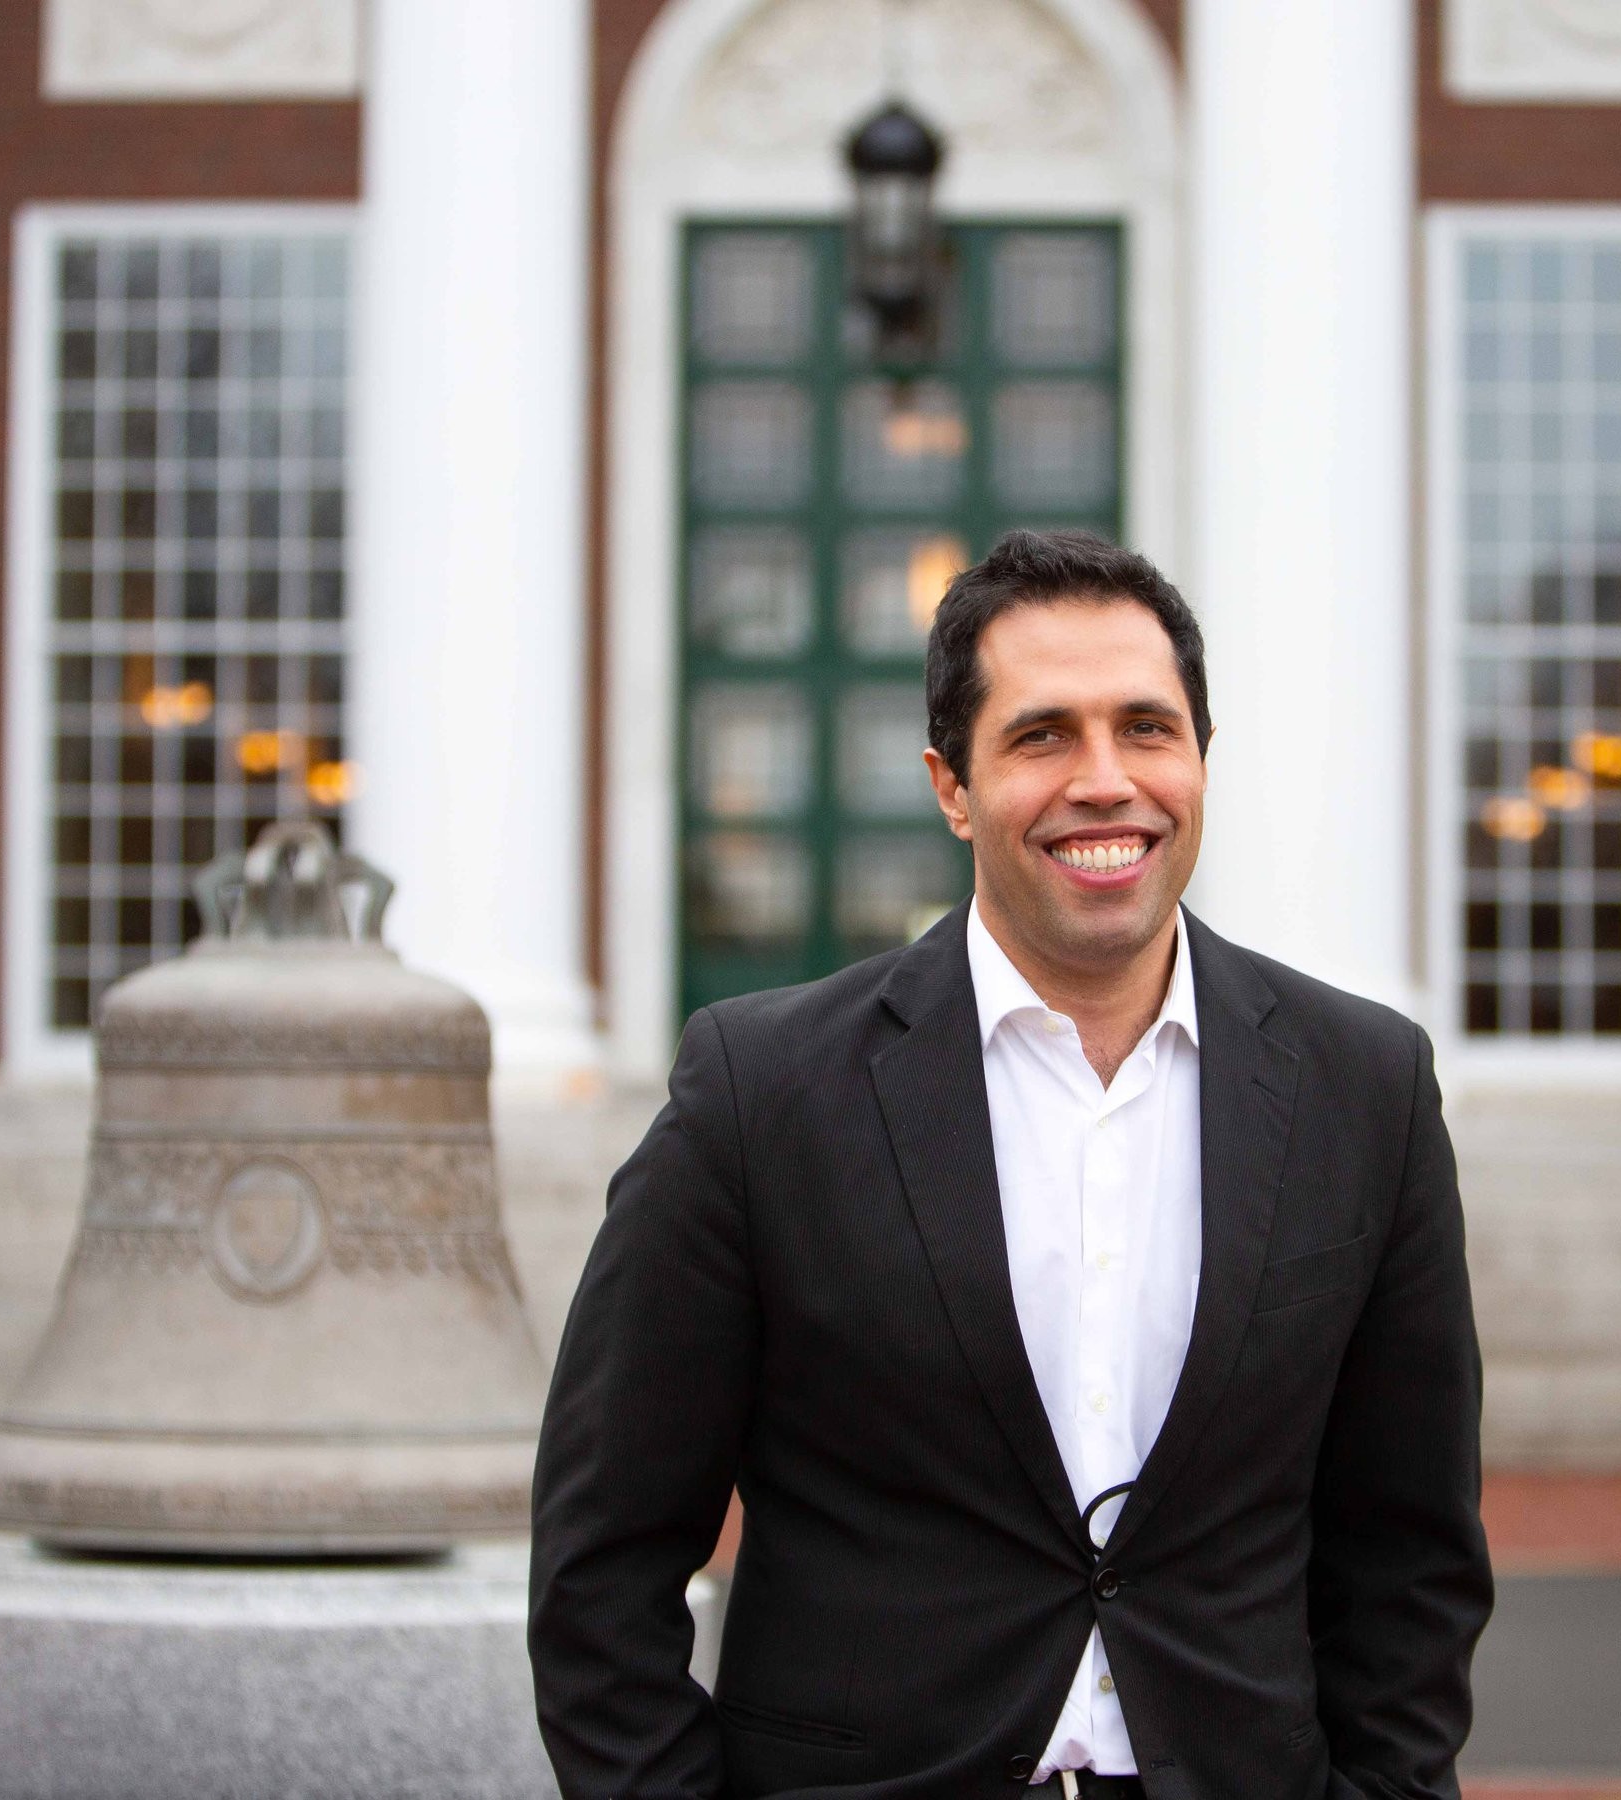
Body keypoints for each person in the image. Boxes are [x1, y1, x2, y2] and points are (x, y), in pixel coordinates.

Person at [530, 528, 1491, 1800]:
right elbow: (601, 1564)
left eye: (1148, 728)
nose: (1107, 781)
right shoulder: (758, 1096)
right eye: (1044, 736)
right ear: (952, 786)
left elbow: (1412, 1561)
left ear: (1202, 760)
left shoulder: (1364, 1085)